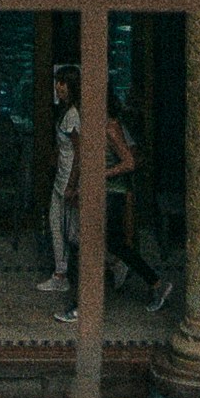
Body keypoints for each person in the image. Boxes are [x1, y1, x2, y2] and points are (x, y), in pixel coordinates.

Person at [41, 68, 135, 304]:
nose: (58, 87)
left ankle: (68, 276)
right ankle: (109, 264)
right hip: (63, 178)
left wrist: (72, 185)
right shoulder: (69, 112)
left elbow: (79, 153)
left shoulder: (75, 115)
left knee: (69, 229)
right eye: (57, 82)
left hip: (69, 180)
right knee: (69, 230)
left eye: (63, 83)